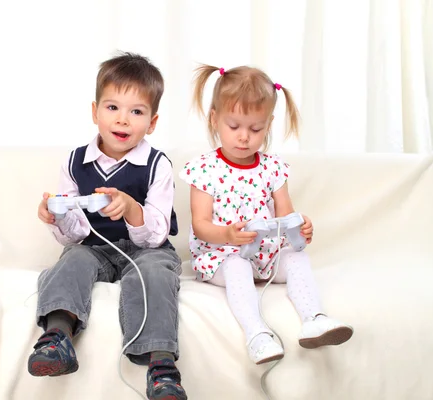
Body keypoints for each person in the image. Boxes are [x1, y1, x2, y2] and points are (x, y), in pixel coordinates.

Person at [29, 52, 187, 400]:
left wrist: (132, 209)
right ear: (95, 111)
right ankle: (57, 338)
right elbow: (75, 233)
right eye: (113, 108)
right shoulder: (75, 161)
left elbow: (158, 231)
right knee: (71, 260)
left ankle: (161, 366)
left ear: (153, 122)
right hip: (95, 249)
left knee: (155, 275)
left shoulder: (156, 165)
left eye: (137, 112)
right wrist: (56, 214)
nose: (123, 120)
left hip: (146, 250)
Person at [178, 64, 353, 365]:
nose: (244, 137)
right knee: (236, 265)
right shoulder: (204, 169)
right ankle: (257, 333)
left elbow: (285, 215)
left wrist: (300, 227)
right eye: (234, 127)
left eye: (255, 129)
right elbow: (201, 225)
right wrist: (228, 235)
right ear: (215, 119)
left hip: (264, 256)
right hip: (222, 255)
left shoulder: (273, 168)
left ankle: (314, 318)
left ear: (268, 125)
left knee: (296, 257)